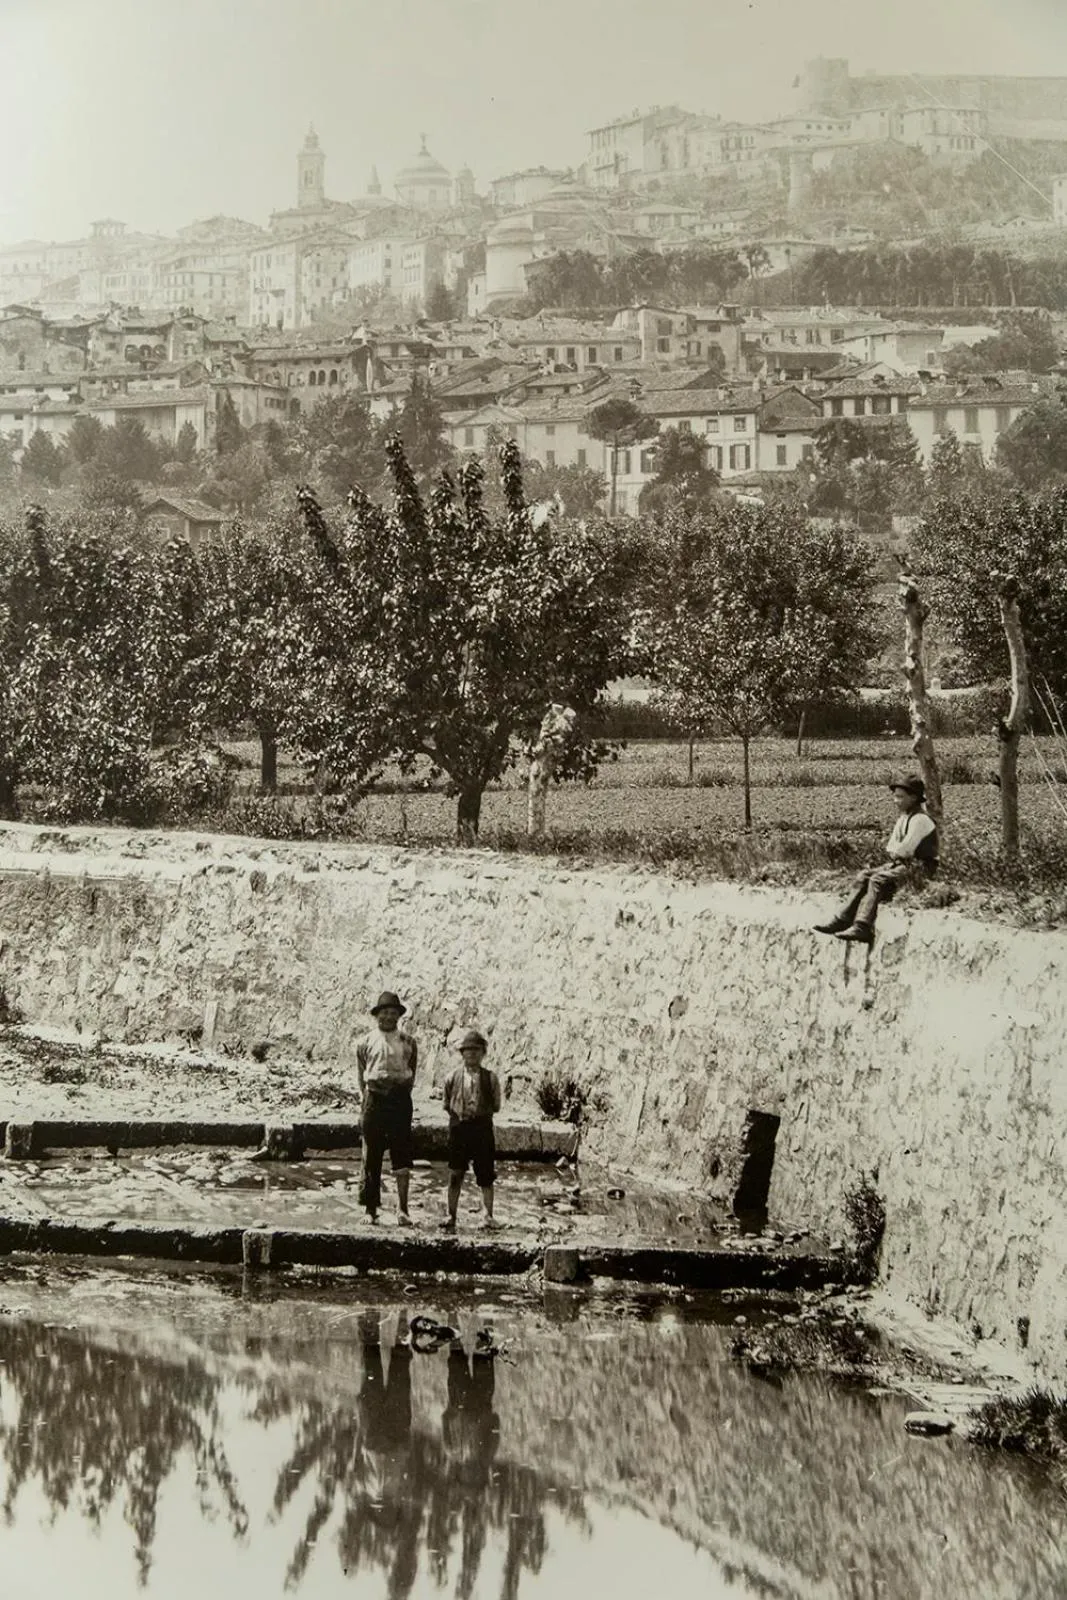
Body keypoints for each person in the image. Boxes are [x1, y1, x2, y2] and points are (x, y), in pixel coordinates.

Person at [815, 774, 939, 947]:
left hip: (921, 867)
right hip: (904, 863)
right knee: (864, 875)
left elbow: (906, 850)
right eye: (895, 796)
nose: (896, 801)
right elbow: (891, 848)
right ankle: (842, 919)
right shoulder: (904, 818)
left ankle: (862, 926)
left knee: (877, 879)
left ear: (914, 797)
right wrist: (897, 853)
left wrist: (898, 853)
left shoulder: (920, 820)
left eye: (900, 797)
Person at [357, 990, 417, 1226]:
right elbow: (361, 1075)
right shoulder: (365, 1042)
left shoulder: (408, 1042)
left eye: (393, 1013)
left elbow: (412, 1073)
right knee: (372, 1155)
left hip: (400, 1101)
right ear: (377, 1015)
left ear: (398, 1016)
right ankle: (370, 1209)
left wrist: (399, 1094)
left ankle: (403, 1209)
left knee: (401, 1155)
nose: (388, 1017)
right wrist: (368, 1099)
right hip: (374, 1100)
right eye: (384, 1012)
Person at [440, 1031, 502, 1233]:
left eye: (476, 1051)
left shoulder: (490, 1078)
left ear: (483, 1053)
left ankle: (488, 1215)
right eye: (468, 1051)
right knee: (455, 1173)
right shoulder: (452, 1077)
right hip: (459, 1128)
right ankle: (451, 1215)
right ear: (462, 1054)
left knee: (485, 1173)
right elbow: (447, 1104)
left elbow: (496, 1105)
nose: (472, 1055)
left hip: (482, 1129)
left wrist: (479, 1114)